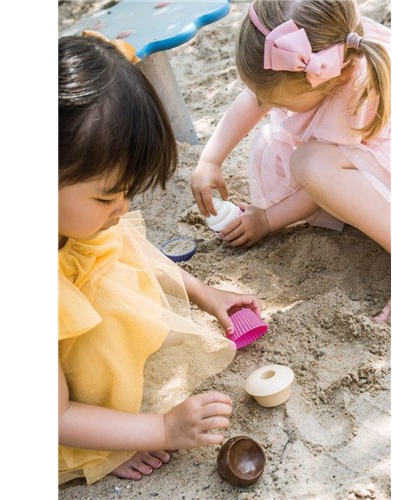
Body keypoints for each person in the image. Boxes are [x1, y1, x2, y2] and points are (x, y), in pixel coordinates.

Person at [58, 33, 262, 485]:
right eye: (107, 197)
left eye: (128, 192)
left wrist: (205, 293)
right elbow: (55, 415)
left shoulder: (76, 218)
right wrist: (161, 429)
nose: (123, 208)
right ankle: (104, 440)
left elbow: (127, 248)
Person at [190, 0, 391, 322]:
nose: (271, 106)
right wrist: (210, 160)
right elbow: (256, 97)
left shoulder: (353, 90)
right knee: (303, 157)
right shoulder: (336, 45)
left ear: (338, 77)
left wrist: (267, 220)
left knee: (309, 163)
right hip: (347, 150)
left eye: (280, 102)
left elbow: (318, 180)